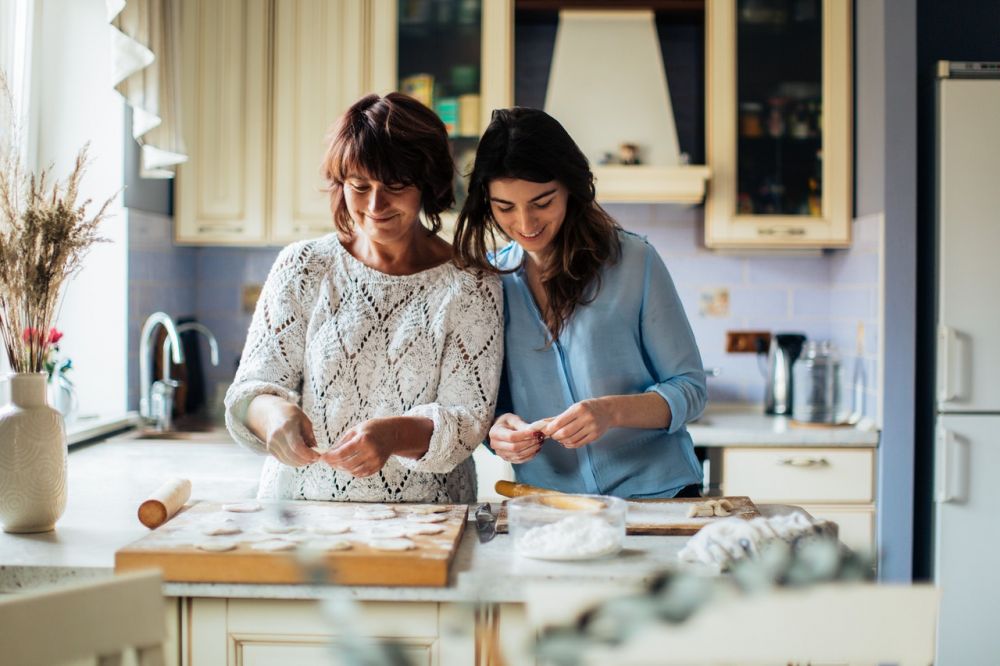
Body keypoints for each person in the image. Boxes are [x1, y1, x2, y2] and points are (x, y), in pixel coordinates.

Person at [225, 93, 503, 503]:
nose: (375, 205)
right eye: (360, 186)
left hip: (425, 520)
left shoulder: (472, 284)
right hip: (301, 513)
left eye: (395, 186)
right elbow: (251, 389)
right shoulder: (304, 266)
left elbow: (467, 421)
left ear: (427, 185)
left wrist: (392, 436)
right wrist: (274, 415)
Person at [453, 107, 707, 499]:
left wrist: (611, 411)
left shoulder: (635, 262)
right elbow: (493, 405)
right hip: (550, 505)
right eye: (505, 207)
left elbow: (690, 389)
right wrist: (499, 431)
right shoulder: (491, 284)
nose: (525, 222)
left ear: (571, 187)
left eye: (542, 201)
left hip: (660, 497)